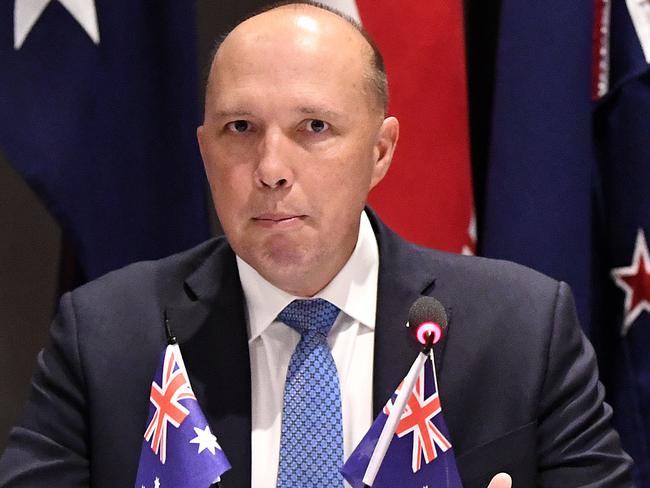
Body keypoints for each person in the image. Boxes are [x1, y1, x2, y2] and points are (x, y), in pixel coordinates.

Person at [0, 2, 633, 487]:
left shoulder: (523, 329)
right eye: (240, 128)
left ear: (380, 151)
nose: (271, 166)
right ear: (204, 150)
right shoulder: (106, 335)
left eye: (314, 128)